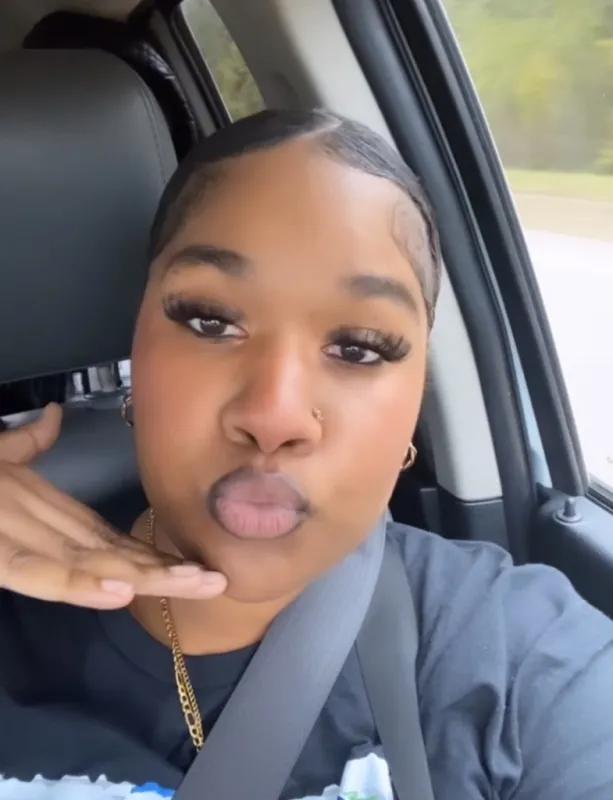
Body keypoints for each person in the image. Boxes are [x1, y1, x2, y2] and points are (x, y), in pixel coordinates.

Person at [0, 109, 612, 800]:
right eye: (209, 320)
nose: (274, 416)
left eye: (359, 348)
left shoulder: (523, 662)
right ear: (135, 348)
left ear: (415, 403)